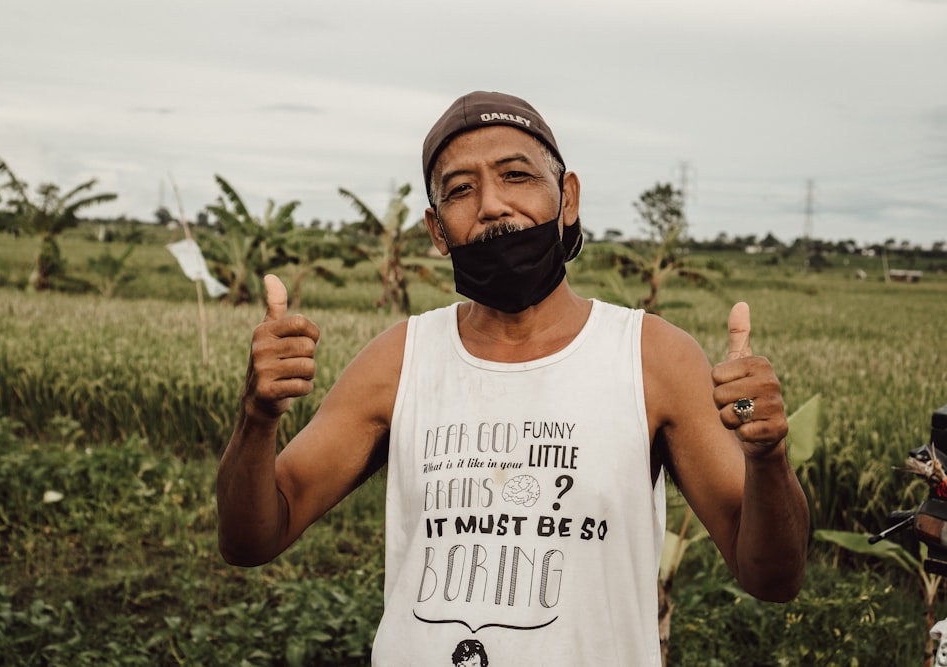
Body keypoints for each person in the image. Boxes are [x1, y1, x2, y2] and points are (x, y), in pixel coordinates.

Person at [216, 91, 810, 665]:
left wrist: (768, 457)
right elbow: (253, 539)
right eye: (461, 190)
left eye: (517, 176)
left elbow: (772, 577)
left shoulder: (651, 357)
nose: (492, 205)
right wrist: (257, 417)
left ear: (568, 197)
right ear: (437, 230)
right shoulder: (399, 359)